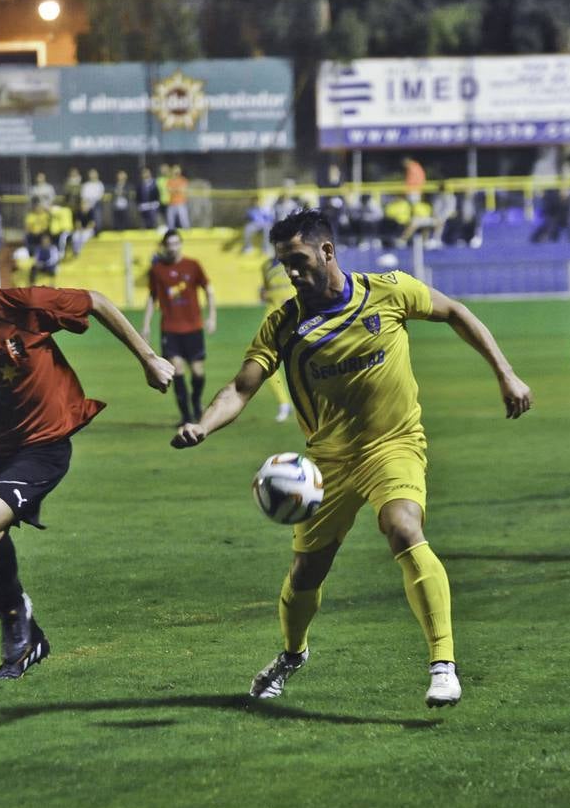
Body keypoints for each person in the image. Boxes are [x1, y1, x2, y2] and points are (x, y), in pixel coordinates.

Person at [171, 209, 532, 707]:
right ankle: (293, 653)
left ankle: (443, 662)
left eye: (298, 261)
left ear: (327, 251)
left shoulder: (389, 290)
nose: (291, 274)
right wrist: (202, 425)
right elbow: (240, 387)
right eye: (283, 265)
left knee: (403, 527)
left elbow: (454, 312)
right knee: (306, 574)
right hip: (328, 465)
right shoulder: (284, 324)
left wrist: (506, 374)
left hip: (394, 444)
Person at [0, 233, 174, 680]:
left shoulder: (23, 305)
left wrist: (148, 358)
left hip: (43, 443)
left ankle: (18, 619)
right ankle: (24, 631)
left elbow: (94, 300)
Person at [141, 229, 217, 425]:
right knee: (178, 370)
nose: (173, 247)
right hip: (170, 329)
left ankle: (196, 400)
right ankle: (186, 416)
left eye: (176, 243)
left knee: (198, 372)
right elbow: (152, 297)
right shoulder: (157, 270)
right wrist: (146, 324)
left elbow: (208, 289)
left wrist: (212, 317)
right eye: (169, 244)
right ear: (164, 246)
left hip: (193, 327)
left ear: (180, 244)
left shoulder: (193, 266)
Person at [258, 252, 292, 422]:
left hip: (297, 315)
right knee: (263, 360)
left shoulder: (296, 260)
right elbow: (264, 292)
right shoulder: (265, 266)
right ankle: (283, 403)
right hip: (272, 316)